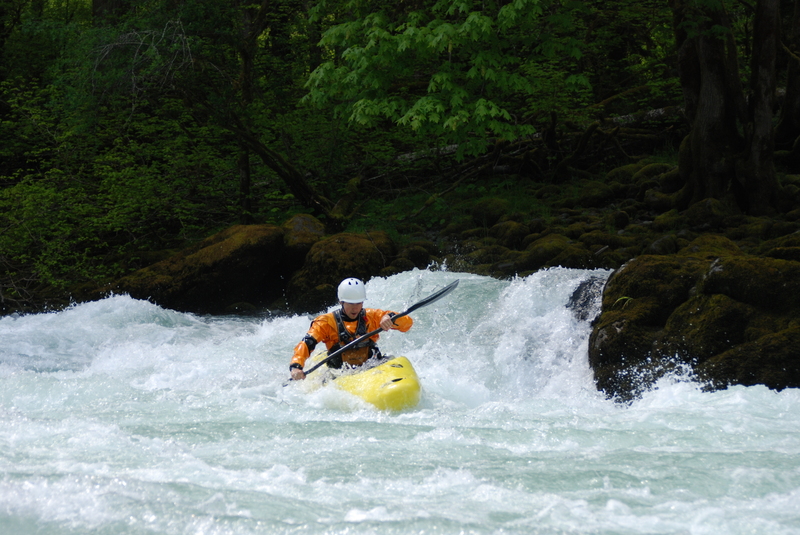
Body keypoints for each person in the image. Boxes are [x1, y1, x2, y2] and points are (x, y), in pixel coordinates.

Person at [289, 278, 413, 381]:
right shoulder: (326, 322)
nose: (355, 308)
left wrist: (390, 318)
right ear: (341, 302)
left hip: (371, 367)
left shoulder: (371, 316)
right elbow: (307, 343)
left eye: (358, 303)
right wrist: (296, 366)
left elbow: (407, 323)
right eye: (350, 303)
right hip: (340, 374)